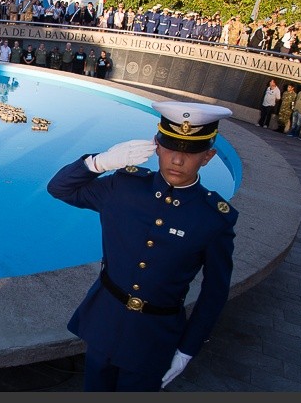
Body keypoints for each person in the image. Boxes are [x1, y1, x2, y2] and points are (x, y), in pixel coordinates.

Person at [47, 101, 237, 392]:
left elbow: (215, 291)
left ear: (208, 157)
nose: (177, 160)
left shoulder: (212, 219)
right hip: (104, 323)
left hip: (155, 337)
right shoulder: (122, 188)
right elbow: (59, 188)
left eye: (190, 152)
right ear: (157, 147)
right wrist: (99, 162)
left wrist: (188, 349)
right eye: (171, 147)